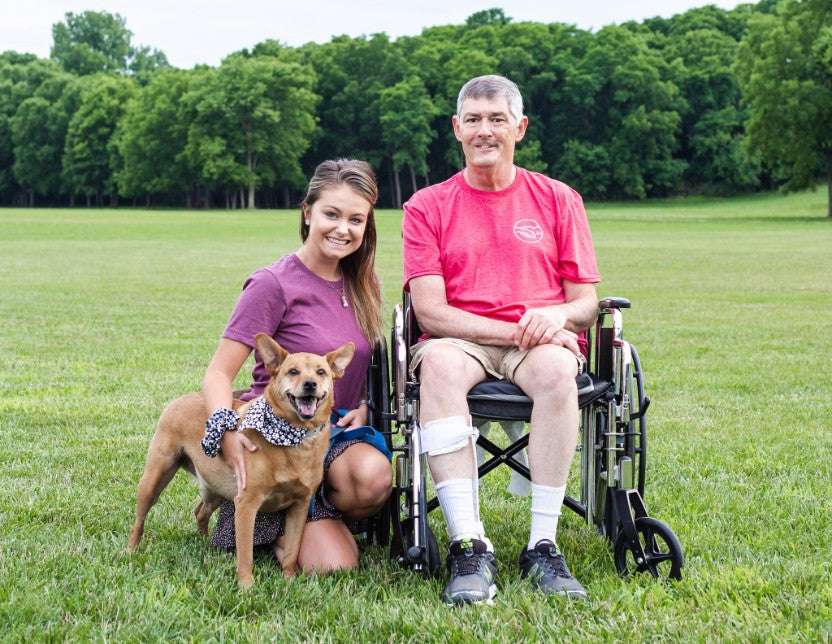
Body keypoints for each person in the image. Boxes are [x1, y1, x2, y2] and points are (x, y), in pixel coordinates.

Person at [402, 75, 601, 605]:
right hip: (459, 338)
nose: (484, 130)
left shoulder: (559, 199)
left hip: (538, 343)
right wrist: (517, 327)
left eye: (496, 119)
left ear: (520, 127)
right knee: (439, 368)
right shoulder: (427, 205)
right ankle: (469, 545)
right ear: (456, 129)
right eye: (473, 119)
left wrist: (553, 315)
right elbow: (430, 311)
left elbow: (586, 304)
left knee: (560, 370)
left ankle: (542, 544)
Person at [202, 158, 392, 574]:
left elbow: (355, 361)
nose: (343, 228)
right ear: (307, 212)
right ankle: (265, 516)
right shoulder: (272, 283)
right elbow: (219, 373)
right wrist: (226, 429)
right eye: (332, 214)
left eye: (356, 219)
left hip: (332, 430)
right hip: (274, 438)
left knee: (373, 478)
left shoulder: (364, 284)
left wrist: (360, 401)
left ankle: (320, 509)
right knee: (334, 568)